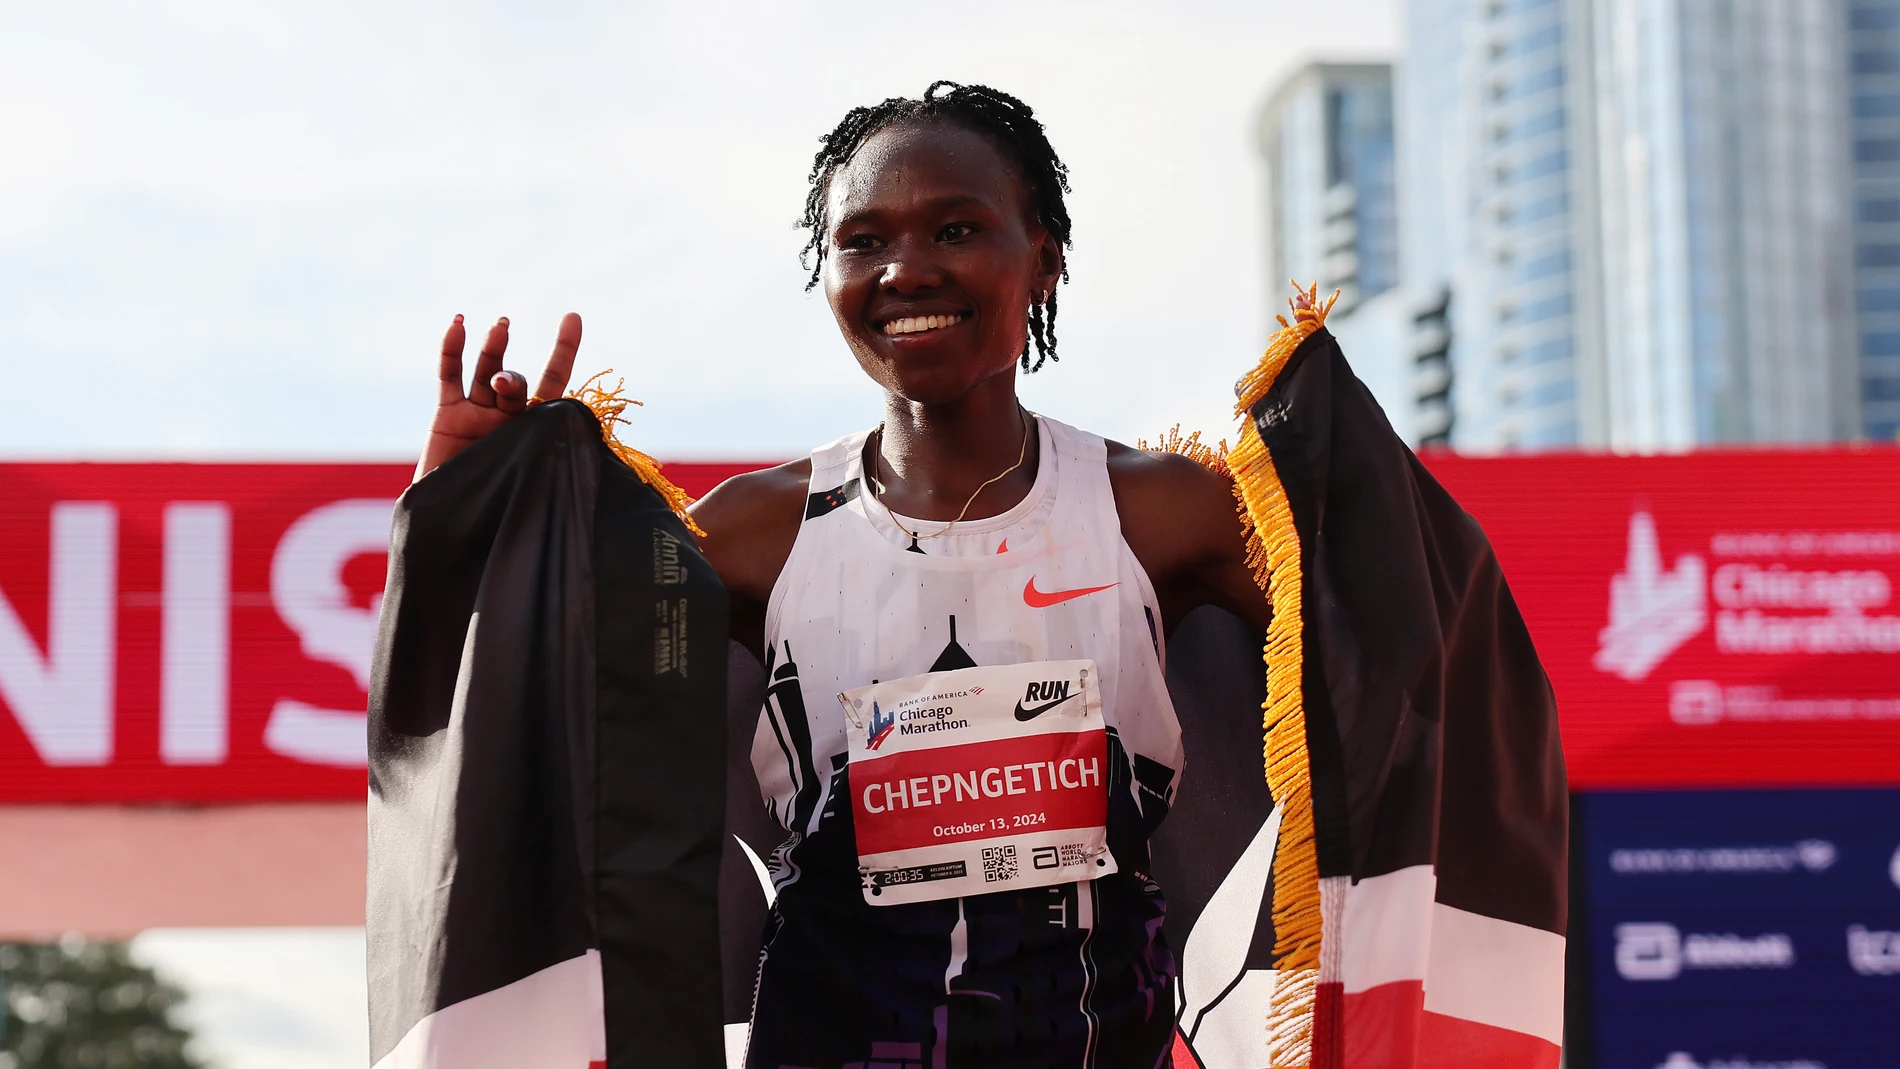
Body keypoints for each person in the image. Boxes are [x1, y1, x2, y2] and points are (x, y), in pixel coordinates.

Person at [411, 81, 1569, 1069]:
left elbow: (1404, 649)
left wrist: (1357, 492)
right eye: (863, 240)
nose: (907, 268)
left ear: (1041, 258)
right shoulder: (751, 533)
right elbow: (522, 714)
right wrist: (467, 510)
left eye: (957, 228)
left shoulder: (1163, 511)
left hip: (1092, 1033)